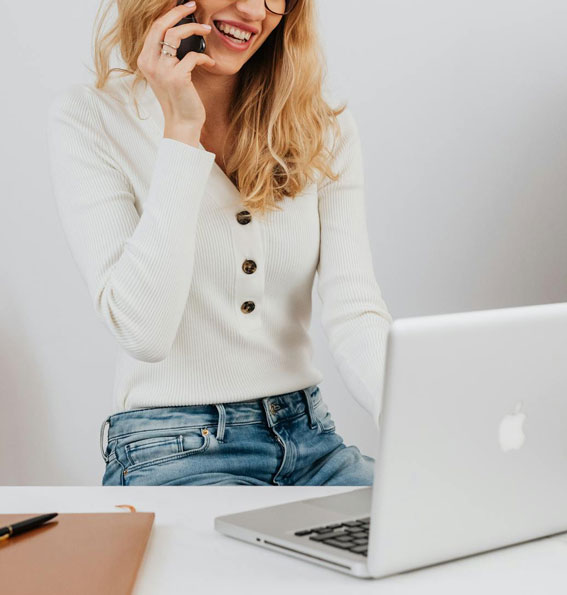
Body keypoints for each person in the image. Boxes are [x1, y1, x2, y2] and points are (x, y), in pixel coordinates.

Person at [46, 0, 392, 486]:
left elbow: (355, 309)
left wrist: (414, 419)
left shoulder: (320, 126)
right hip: (172, 448)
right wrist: (181, 132)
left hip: (312, 440)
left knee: (439, 533)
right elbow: (144, 332)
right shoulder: (91, 118)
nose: (253, 8)